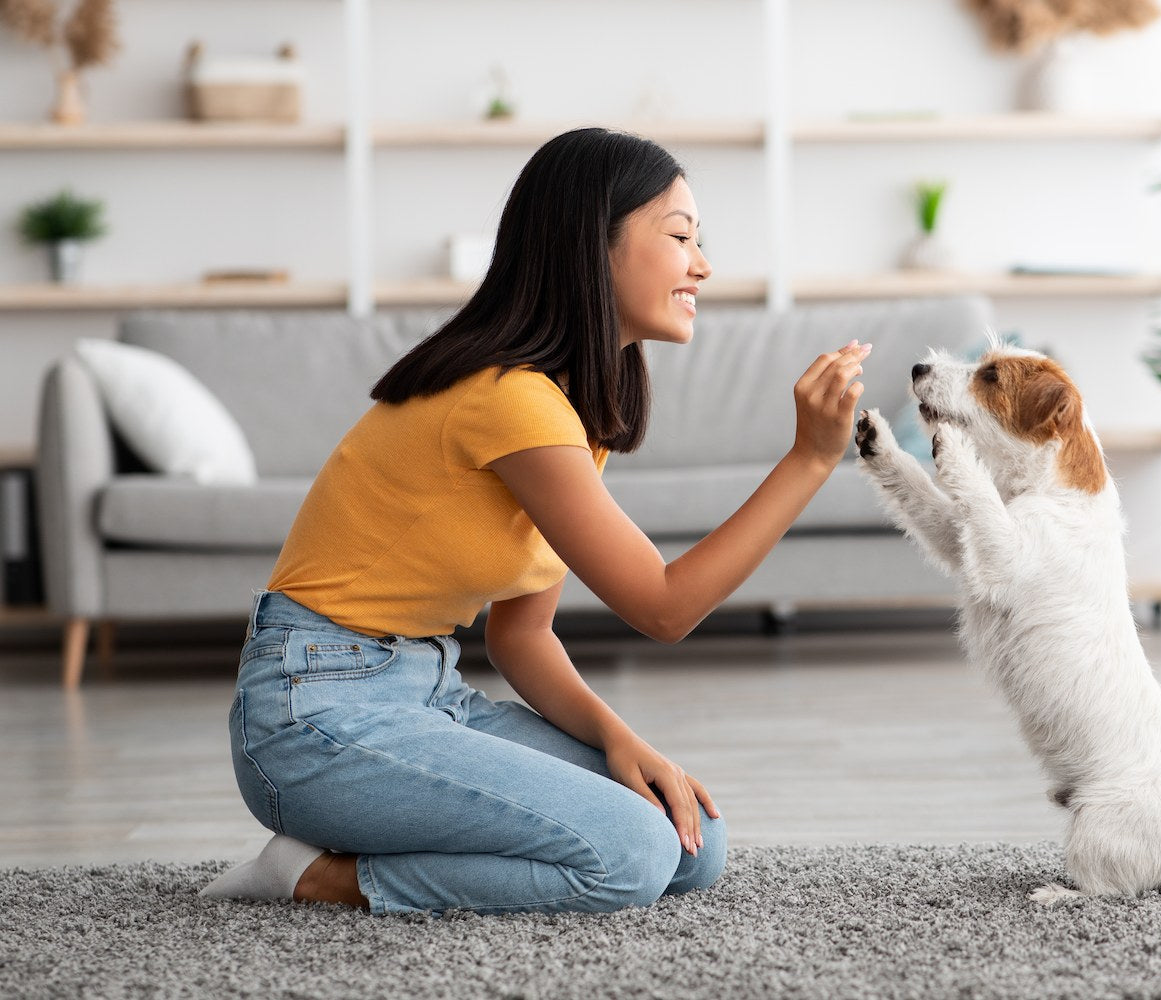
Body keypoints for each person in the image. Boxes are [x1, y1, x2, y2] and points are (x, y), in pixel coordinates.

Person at [200, 127, 872, 916]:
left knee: (693, 845)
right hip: (310, 709)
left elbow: (522, 635)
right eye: (682, 236)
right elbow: (663, 605)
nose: (703, 264)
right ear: (595, 245)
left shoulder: (568, 412)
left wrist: (619, 739)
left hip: (423, 691)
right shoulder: (508, 399)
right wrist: (810, 461)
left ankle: (380, 836)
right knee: (632, 852)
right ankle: (316, 875)